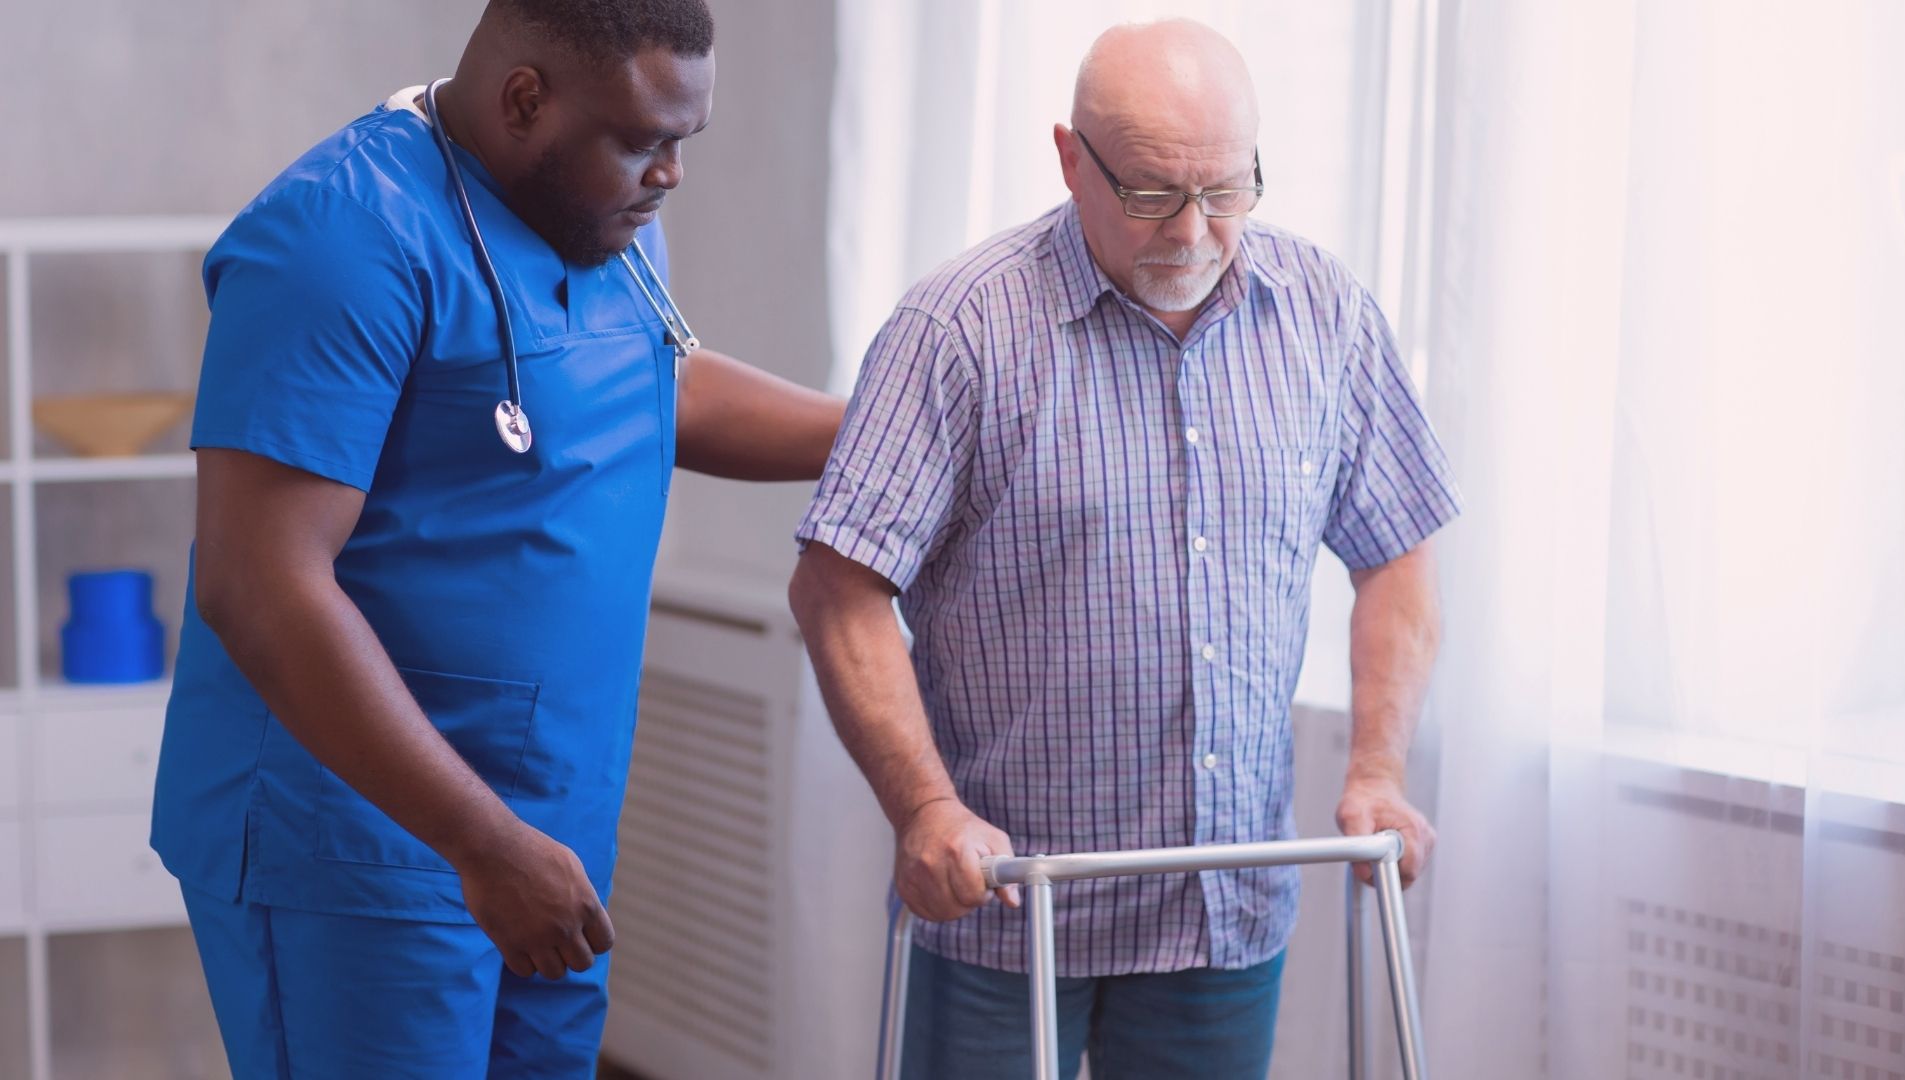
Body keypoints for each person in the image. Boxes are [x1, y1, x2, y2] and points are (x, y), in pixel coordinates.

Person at [148, 1, 843, 1075]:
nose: (670, 176)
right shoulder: (339, 239)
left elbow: (650, 380)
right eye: (644, 140)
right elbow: (259, 584)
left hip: (546, 826)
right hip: (363, 843)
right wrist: (481, 842)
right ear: (526, 99)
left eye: (681, 142)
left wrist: (886, 432)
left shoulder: (591, 210)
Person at [788, 19, 1460, 1079]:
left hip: (1221, 912)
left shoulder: (1324, 317)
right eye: (1150, 194)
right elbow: (839, 586)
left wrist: (1378, 769)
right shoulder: (959, 328)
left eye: (1229, 191)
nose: (1193, 232)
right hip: (1007, 909)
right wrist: (923, 806)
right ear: (1070, 158)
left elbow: (1399, 550)